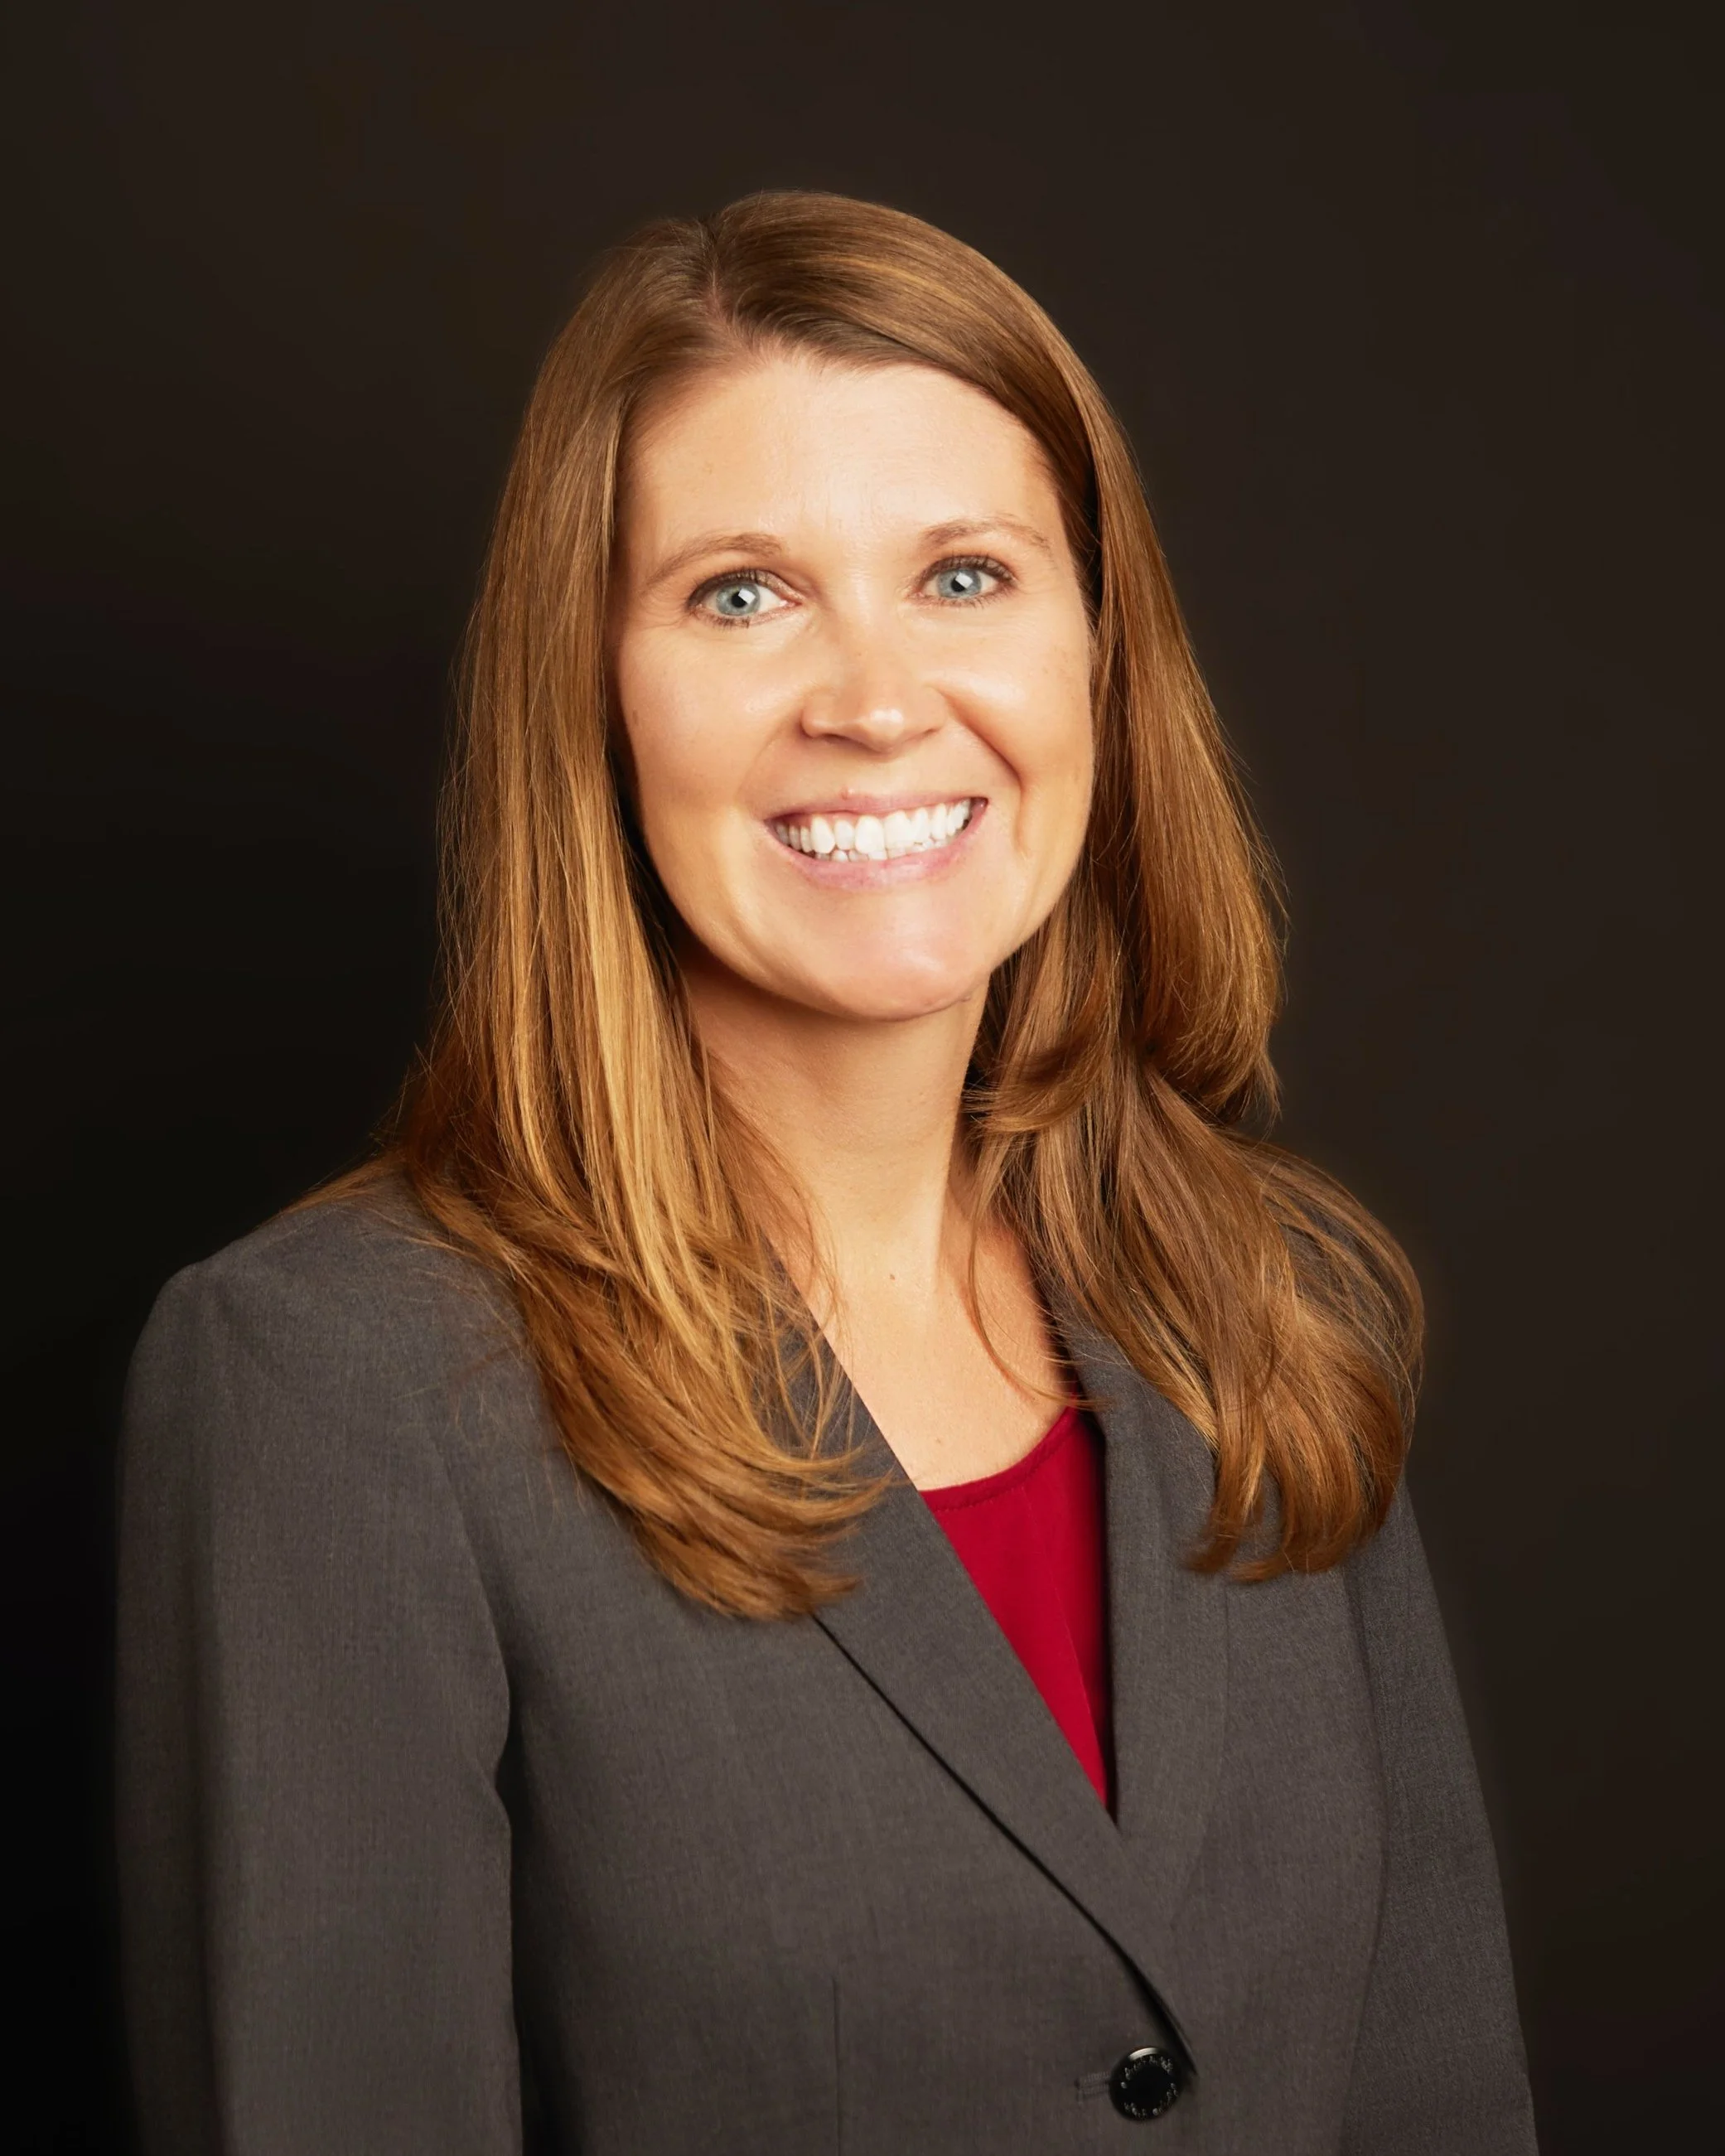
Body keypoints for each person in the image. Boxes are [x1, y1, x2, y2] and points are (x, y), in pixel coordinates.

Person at [116, 191, 1538, 2154]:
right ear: (593, 695)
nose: (875, 697)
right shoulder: (334, 1381)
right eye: (740, 592)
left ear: (1102, 657)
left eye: (965, 575)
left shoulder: (1266, 1299)